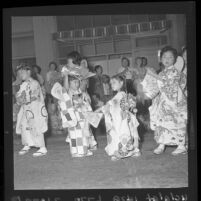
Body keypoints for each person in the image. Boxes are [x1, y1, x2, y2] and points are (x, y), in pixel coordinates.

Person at [52, 51, 98, 157]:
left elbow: (83, 85)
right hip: (71, 98)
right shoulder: (66, 71)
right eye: (67, 63)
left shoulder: (82, 70)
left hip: (80, 96)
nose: (68, 65)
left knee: (85, 124)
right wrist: (67, 76)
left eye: (70, 63)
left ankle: (87, 144)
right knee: (75, 126)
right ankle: (78, 148)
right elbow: (66, 88)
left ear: (76, 63)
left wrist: (84, 93)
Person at [148, 46, 187, 155]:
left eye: (170, 57)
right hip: (164, 102)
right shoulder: (161, 73)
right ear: (161, 59)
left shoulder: (176, 72)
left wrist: (154, 76)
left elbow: (172, 85)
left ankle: (181, 145)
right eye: (164, 57)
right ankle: (161, 144)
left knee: (177, 123)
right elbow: (158, 87)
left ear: (174, 59)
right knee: (162, 123)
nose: (167, 59)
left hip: (176, 102)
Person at [96, 74, 141, 161]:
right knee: (127, 134)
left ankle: (122, 152)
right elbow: (110, 105)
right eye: (111, 83)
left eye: (114, 82)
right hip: (120, 119)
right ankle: (133, 150)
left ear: (121, 83)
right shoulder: (121, 94)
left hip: (122, 120)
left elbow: (109, 104)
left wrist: (97, 111)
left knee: (123, 134)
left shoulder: (121, 94)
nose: (111, 85)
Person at [15, 64, 48, 157]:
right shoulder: (23, 84)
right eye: (19, 73)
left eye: (22, 72)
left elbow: (35, 95)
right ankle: (27, 143)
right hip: (26, 109)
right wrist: (19, 99)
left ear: (29, 71)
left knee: (36, 126)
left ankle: (42, 147)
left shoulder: (34, 83)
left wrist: (24, 99)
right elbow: (19, 95)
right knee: (24, 125)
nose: (20, 74)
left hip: (35, 108)